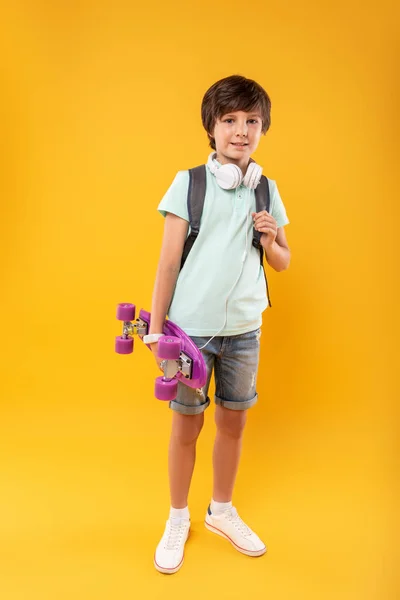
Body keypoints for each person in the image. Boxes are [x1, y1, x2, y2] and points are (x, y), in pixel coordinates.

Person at [147, 75, 291, 574]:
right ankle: (178, 515)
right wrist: (155, 331)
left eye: (252, 121)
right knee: (186, 424)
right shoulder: (189, 183)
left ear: (262, 129)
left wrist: (272, 239)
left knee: (234, 422)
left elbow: (283, 262)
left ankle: (221, 510)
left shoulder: (266, 189)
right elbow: (168, 263)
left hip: (245, 330)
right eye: (229, 120)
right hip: (189, 332)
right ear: (211, 127)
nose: (241, 131)